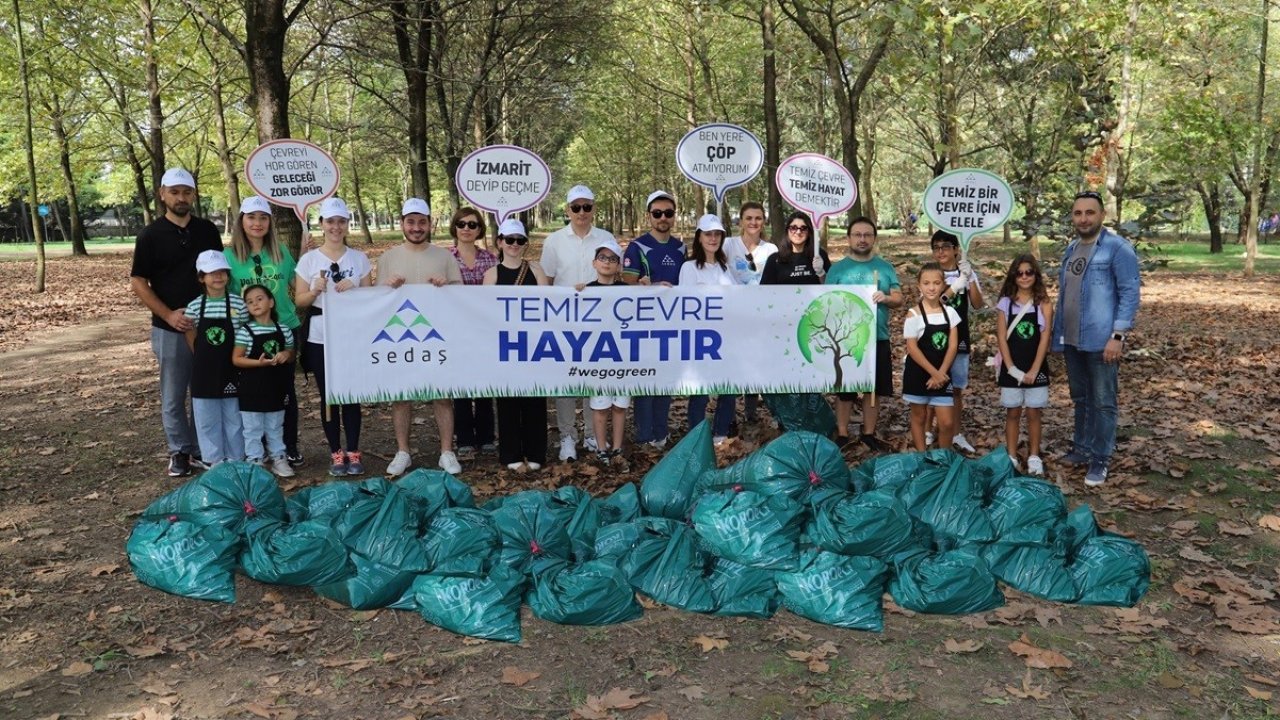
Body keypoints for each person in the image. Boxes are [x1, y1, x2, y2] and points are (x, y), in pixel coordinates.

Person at [129, 167, 223, 476]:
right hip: (170, 325)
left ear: (193, 195)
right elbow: (139, 281)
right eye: (174, 192)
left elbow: (219, 273)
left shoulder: (208, 230)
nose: (180, 198)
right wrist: (168, 314)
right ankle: (179, 450)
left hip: (208, 322)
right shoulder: (150, 235)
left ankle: (201, 448)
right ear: (162, 194)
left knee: (205, 387)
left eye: (186, 192)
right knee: (173, 392)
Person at [1052, 190, 1140, 487]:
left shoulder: (1117, 248)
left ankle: (1100, 458)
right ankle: (1082, 448)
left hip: (1103, 340)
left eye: (1090, 212)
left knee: (1103, 401)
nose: (1083, 218)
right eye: (1078, 213)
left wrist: (1117, 335)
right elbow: (1066, 294)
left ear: (1102, 215)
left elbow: (1129, 293)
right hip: (1073, 339)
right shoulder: (1072, 249)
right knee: (1080, 398)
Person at [375, 198, 465, 476]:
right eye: (411, 222)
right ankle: (403, 452)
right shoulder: (387, 258)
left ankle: (446, 452)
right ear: (402, 223)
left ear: (430, 224)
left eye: (422, 222)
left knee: (442, 396)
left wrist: (446, 285)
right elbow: (375, 301)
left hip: (437, 338)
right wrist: (389, 288)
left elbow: (461, 295)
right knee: (402, 397)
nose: (416, 227)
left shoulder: (445, 257)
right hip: (400, 337)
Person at [293, 197, 374, 476]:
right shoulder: (309, 260)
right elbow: (300, 301)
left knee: (350, 393)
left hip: (350, 334)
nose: (336, 227)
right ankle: (335, 453)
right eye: (330, 221)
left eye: (341, 221)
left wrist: (357, 288)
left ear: (347, 225)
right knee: (329, 394)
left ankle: (353, 449)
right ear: (322, 224)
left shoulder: (359, 259)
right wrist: (314, 290)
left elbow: (371, 300)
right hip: (320, 334)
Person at [223, 196, 304, 466]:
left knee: (285, 390)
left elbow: (300, 283)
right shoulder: (229, 256)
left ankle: (287, 447)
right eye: (251, 217)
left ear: (270, 221)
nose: (257, 223)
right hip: (248, 334)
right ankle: (255, 451)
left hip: (284, 328)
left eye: (263, 218)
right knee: (254, 391)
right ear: (241, 221)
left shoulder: (281, 251)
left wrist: (310, 257)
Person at [540, 184, 618, 462]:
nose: (582, 212)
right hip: (566, 320)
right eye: (576, 207)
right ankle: (567, 436)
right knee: (567, 380)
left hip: (600, 321)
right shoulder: (554, 241)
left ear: (594, 209)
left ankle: (590, 433)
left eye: (587, 206)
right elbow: (547, 280)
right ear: (567, 210)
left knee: (593, 378)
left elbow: (615, 275)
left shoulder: (606, 237)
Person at [824, 216, 903, 451]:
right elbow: (826, 302)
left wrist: (886, 298)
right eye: (857, 235)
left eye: (867, 235)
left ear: (874, 238)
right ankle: (842, 433)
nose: (862, 239)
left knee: (872, 390)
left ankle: (868, 433)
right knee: (845, 390)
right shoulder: (837, 270)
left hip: (877, 337)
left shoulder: (885, 268)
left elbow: (899, 298)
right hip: (845, 339)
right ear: (848, 238)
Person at [483, 218, 549, 471]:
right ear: (500, 242)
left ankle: (535, 452)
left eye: (519, 240)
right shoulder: (492, 275)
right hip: (505, 344)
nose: (514, 245)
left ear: (525, 244)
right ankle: (511, 453)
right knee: (508, 401)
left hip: (533, 344)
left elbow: (549, 306)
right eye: (509, 240)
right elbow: (486, 311)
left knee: (534, 399)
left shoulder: (537, 271)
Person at [623, 190, 685, 449]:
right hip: (644, 322)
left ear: (673, 216)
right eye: (657, 213)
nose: (663, 218)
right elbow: (626, 278)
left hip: (671, 322)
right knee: (646, 377)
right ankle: (643, 434)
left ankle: (661, 432)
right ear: (649, 216)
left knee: (665, 378)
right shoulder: (637, 246)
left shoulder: (680, 246)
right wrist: (642, 283)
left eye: (668, 213)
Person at [679, 214, 739, 445]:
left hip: (727, 337)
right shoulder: (689, 268)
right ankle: (697, 436)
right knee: (700, 389)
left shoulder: (726, 268)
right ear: (699, 237)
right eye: (708, 234)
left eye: (717, 234)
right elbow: (685, 303)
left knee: (728, 387)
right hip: (701, 338)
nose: (713, 238)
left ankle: (721, 432)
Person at [184, 250, 247, 466]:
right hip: (204, 370)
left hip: (233, 367)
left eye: (222, 272)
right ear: (202, 277)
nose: (218, 277)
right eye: (212, 273)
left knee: (234, 416)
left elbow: (244, 333)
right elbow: (190, 331)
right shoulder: (194, 306)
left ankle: (236, 457)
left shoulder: (239, 304)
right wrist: (200, 353)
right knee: (206, 417)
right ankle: (213, 459)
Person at [995, 254, 1053, 477]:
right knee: (1012, 411)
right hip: (1012, 367)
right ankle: (1011, 455)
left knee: (1034, 412)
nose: (1024, 277)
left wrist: (1034, 369)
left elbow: (1045, 337)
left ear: (1035, 274)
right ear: (1013, 276)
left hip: (1034, 367)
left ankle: (1034, 455)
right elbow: (1001, 337)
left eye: (1029, 272)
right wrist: (1011, 368)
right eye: (1019, 273)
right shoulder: (1005, 303)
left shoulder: (1044, 303)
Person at [448, 207, 498, 459]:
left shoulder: (491, 259)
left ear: (480, 229)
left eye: (473, 224)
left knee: (485, 385)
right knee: (461, 386)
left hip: (484, 329)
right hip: (454, 330)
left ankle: (487, 437)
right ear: (454, 227)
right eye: (462, 224)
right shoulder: (444, 258)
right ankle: (465, 438)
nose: (466, 228)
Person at [927, 230, 983, 453]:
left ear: (956, 250)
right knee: (934, 382)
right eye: (936, 248)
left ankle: (956, 432)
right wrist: (957, 283)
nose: (941, 252)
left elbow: (978, 304)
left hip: (959, 336)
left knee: (957, 387)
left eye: (946, 247)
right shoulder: (931, 273)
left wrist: (969, 280)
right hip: (934, 337)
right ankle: (931, 429)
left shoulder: (966, 272)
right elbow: (935, 302)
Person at [231, 284, 296, 478]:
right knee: (252, 428)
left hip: (275, 387)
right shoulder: (245, 331)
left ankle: (279, 458)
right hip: (251, 389)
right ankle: (255, 461)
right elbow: (236, 358)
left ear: (271, 302)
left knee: (275, 426)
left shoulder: (283, 329)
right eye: (250, 302)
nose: (255, 304)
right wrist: (257, 363)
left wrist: (286, 353)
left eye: (259, 299)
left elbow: (291, 353)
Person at [724, 202, 777, 423]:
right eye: (749, 218)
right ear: (741, 221)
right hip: (732, 313)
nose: (753, 222)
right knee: (733, 361)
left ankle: (751, 411)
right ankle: (728, 416)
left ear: (763, 221)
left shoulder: (771, 249)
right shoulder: (728, 245)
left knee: (757, 360)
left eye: (758, 218)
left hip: (761, 315)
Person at [902, 263, 960, 451]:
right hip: (918, 374)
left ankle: (944, 458)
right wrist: (933, 373)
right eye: (926, 283)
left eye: (936, 282)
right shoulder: (913, 314)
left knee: (947, 422)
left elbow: (952, 346)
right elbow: (912, 348)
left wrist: (941, 374)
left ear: (943, 285)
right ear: (919, 286)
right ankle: (922, 456)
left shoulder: (950, 313)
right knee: (919, 416)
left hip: (943, 376)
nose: (932, 287)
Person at [584, 238, 630, 469]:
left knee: (620, 406)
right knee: (600, 407)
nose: (607, 263)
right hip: (597, 358)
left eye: (613, 259)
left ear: (618, 265)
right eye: (603, 258)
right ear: (594, 263)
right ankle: (601, 449)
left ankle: (617, 448)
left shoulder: (627, 291)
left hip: (623, 358)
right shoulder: (586, 290)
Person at [760, 211, 830, 285]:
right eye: (793, 228)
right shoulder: (774, 259)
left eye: (803, 228)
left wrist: (821, 273)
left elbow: (830, 288)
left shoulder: (819, 255)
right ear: (787, 231)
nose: (798, 232)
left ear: (809, 232)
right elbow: (765, 291)